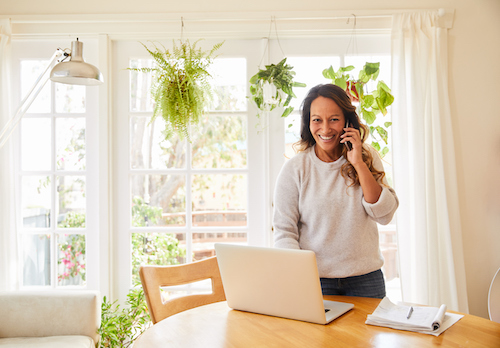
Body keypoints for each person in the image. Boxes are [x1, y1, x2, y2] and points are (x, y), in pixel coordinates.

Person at [273, 84, 399, 298]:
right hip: (316, 280)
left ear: (348, 122)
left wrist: (358, 163)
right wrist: (300, 275)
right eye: (317, 120)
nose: (325, 129)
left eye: (334, 119)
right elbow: (284, 231)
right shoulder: (295, 168)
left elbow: (385, 214)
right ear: (308, 123)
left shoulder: (366, 157)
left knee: (368, 334)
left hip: (366, 279)